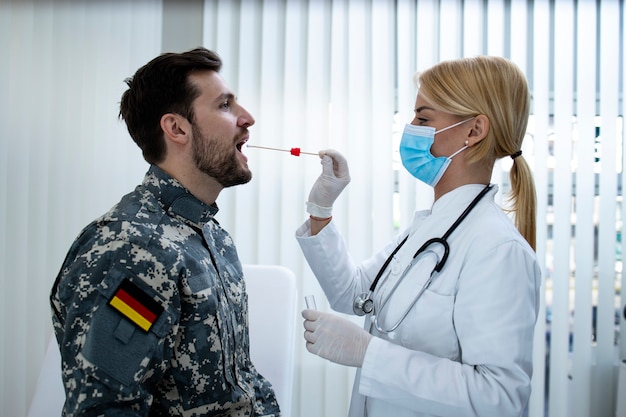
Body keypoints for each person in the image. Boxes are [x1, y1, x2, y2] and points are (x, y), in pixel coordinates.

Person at [297, 56, 541, 417]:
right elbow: (354, 294)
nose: (409, 127)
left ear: (474, 131)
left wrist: (370, 353)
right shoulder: (430, 230)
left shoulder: (498, 249)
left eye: (423, 118)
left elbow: (499, 397)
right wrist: (320, 211)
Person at [50, 47, 280, 416]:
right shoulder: (134, 247)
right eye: (225, 105)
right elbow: (107, 408)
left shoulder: (208, 235)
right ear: (176, 128)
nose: (247, 118)